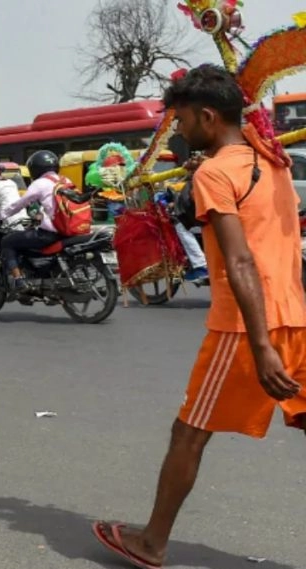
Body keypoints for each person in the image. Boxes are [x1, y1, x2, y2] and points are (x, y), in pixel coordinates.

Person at [92, 64, 306, 569]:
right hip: (297, 316)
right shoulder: (271, 159)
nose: (180, 131)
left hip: (246, 326)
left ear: (208, 117)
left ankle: (151, 543)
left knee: (189, 431)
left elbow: (240, 261)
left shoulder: (215, 173)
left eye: (183, 120)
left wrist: (260, 347)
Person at [0, 150, 66, 290]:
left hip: (51, 233)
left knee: (7, 241)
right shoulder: (65, 180)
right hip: (69, 230)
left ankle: (19, 281)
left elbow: (19, 204)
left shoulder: (40, 183)